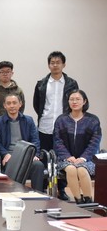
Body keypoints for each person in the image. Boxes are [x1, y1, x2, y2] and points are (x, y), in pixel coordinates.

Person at [33, 51, 79, 201]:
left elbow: (74, 102)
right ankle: (44, 187)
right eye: (52, 63)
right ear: (48, 65)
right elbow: (37, 105)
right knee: (44, 157)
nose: (55, 65)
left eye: (58, 62)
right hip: (45, 126)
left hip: (64, 127)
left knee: (62, 158)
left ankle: (61, 189)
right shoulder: (41, 84)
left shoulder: (71, 83)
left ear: (63, 64)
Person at [53, 90, 102, 204]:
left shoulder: (93, 120)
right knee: (71, 169)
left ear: (84, 101)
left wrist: (83, 158)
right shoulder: (61, 120)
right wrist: (68, 157)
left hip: (87, 159)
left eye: (78, 99)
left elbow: (95, 142)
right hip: (65, 159)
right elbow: (57, 141)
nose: (74, 102)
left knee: (81, 170)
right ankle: (78, 201)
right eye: (71, 99)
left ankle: (88, 201)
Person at [0, 94, 44, 192]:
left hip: (27, 155)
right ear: (4, 105)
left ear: (20, 104)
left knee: (38, 165)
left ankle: (37, 195)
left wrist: (35, 154)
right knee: (14, 166)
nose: (12, 106)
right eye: (8, 103)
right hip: (10, 156)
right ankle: (14, 194)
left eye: (14, 103)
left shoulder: (28, 120)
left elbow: (35, 140)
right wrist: (5, 154)